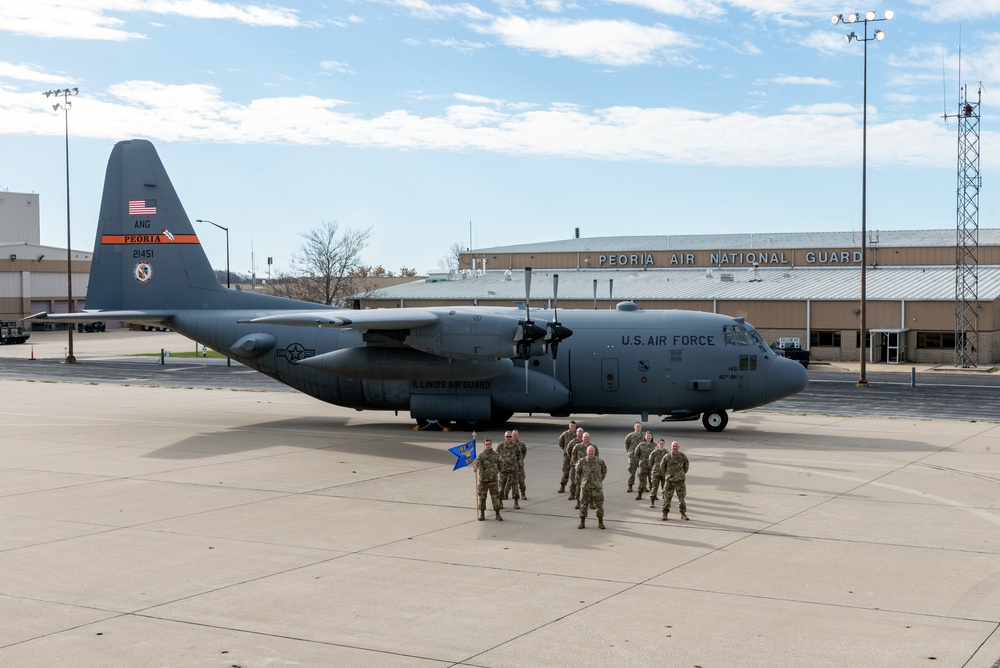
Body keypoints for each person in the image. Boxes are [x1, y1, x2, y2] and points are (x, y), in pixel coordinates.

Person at [575, 445, 607, 529]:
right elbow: (578, 473)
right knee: (583, 505)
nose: (591, 452)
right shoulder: (582, 461)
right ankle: (582, 522)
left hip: (597, 487)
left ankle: (600, 523)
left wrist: (599, 480)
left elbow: (604, 471)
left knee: (599, 505)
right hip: (585, 487)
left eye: (592, 451)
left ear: (594, 452)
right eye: (589, 451)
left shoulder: (600, 461)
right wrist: (582, 481)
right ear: (586, 452)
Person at [473, 438, 503, 521]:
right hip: (483, 481)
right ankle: (482, 514)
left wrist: (495, 472)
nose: (488, 445)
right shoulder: (481, 455)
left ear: (491, 444)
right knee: (482, 498)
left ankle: (497, 514)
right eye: (486, 444)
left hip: (493, 480)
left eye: (489, 444)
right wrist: (475, 467)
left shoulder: (496, 455)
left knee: (495, 498)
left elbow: (501, 465)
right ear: (484, 445)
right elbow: (477, 462)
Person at [660, 440, 690, 521]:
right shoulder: (666, 457)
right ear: (671, 447)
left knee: (682, 498)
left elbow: (686, 467)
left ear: (678, 447)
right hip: (669, 481)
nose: (675, 448)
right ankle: (665, 513)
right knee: (667, 498)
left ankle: (683, 513)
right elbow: (662, 467)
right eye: (673, 446)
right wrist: (667, 475)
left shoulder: (683, 456)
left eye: (676, 446)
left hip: (680, 481)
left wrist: (681, 475)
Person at [497, 431, 521, 509]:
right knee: (501, 487)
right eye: (507, 437)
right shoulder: (500, 446)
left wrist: (518, 465)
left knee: (515, 487)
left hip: (513, 470)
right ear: (504, 437)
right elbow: (496, 456)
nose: (508, 438)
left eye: (510, 437)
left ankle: (516, 503)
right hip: (503, 470)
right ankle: (500, 502)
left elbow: (519, 455)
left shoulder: (515, 446)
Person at [632, 431, 655, 500]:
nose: (648, 437)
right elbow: (636, 454)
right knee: (642, 481)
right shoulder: (641, 445)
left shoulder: (655, 445)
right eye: (647, 436)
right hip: (643, 466)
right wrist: (641, 461)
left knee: (652, 481)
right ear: (644, 437)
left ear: (651, 437)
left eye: (649, 436)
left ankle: (653, 495)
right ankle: (639, 494)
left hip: (651, 466)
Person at [565, 426, 585, 502]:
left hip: (583, 465)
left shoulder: (586, 443)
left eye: (581, 432)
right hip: (574, 465)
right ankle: (572, 493)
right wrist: (573, 459)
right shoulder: (573, 442)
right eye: (579, 431)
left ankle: (581, 494)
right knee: (573, 479)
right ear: (576, 433)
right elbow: (568, 450)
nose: (580, 433)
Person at [557, 420, 576, 493]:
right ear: (569, 426)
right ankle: (562, 485)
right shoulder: (565, 434)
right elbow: (560, 442)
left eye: (574, 426)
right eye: (571, 426)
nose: (572, 427)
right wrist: (565, 449)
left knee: (575, 473)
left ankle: (574, 488)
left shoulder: (577, 434)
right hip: (567, 456)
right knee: (566, 471)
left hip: (575, 456)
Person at [648, 439, 668, 508]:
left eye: (662, 443)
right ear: (658, 444)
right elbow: (650, 463)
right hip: (655, 473)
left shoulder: (666, 453)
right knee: (654, 488)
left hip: (664, 473)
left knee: (665, 488)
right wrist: (652, 471)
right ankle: (652, 502)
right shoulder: (654, 452)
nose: (661, 445)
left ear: (664, 444)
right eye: (660, 443)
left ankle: (666, 502)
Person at [624, 422, 644, 493]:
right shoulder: (630, 436)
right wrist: (629, 452)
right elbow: (626, 444)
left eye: (639, 426)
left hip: (641, 456)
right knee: (632, 472)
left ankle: (643, 486)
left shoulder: (644, 435)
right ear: (634, 427)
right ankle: (630, 486)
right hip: (633, 456)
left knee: (642, 472)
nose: (638, 428)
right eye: (637, 426)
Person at [512, 428, 528, 500]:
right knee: (508, 482)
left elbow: (524, 452)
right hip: (510, 467)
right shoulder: (508, 444)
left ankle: (523, 494)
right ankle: (505, 494)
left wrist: (521, 459)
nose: (515, 436)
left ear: (518, 435)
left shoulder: (521, 444)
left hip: (519, 467)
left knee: (521, 481)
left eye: (516, 434)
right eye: (514, 435)